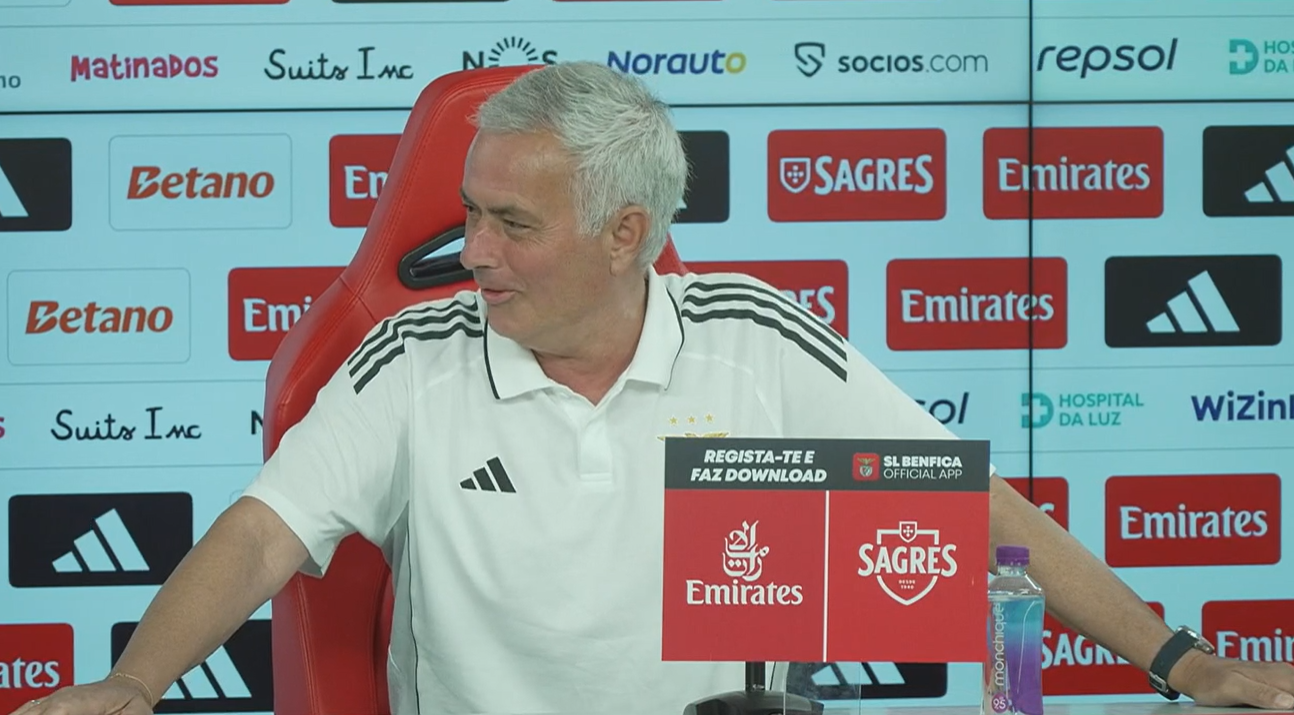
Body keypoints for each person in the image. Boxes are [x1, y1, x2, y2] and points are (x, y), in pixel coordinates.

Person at [14, 61, 1293, 715]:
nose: (470, 253)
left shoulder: (754, 338)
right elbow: (259, 537)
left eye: (511, 224)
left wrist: (1180, 659)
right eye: (468, 213)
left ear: (627, 234)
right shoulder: (414, 357)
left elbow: (971, 512)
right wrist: (136, 682)